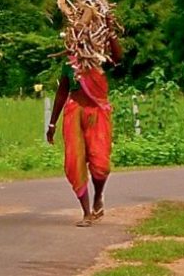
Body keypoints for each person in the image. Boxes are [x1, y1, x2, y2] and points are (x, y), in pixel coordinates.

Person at [46, 36, 123, 227]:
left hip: (98, 114)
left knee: (100, 162)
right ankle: (86, 212)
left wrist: (111, 32)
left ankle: (98, 196)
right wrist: (52, 124)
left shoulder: (100, 59)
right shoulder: (69, 64)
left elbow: (118, 57)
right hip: (74, 113)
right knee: (75, 161)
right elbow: (62, 93)